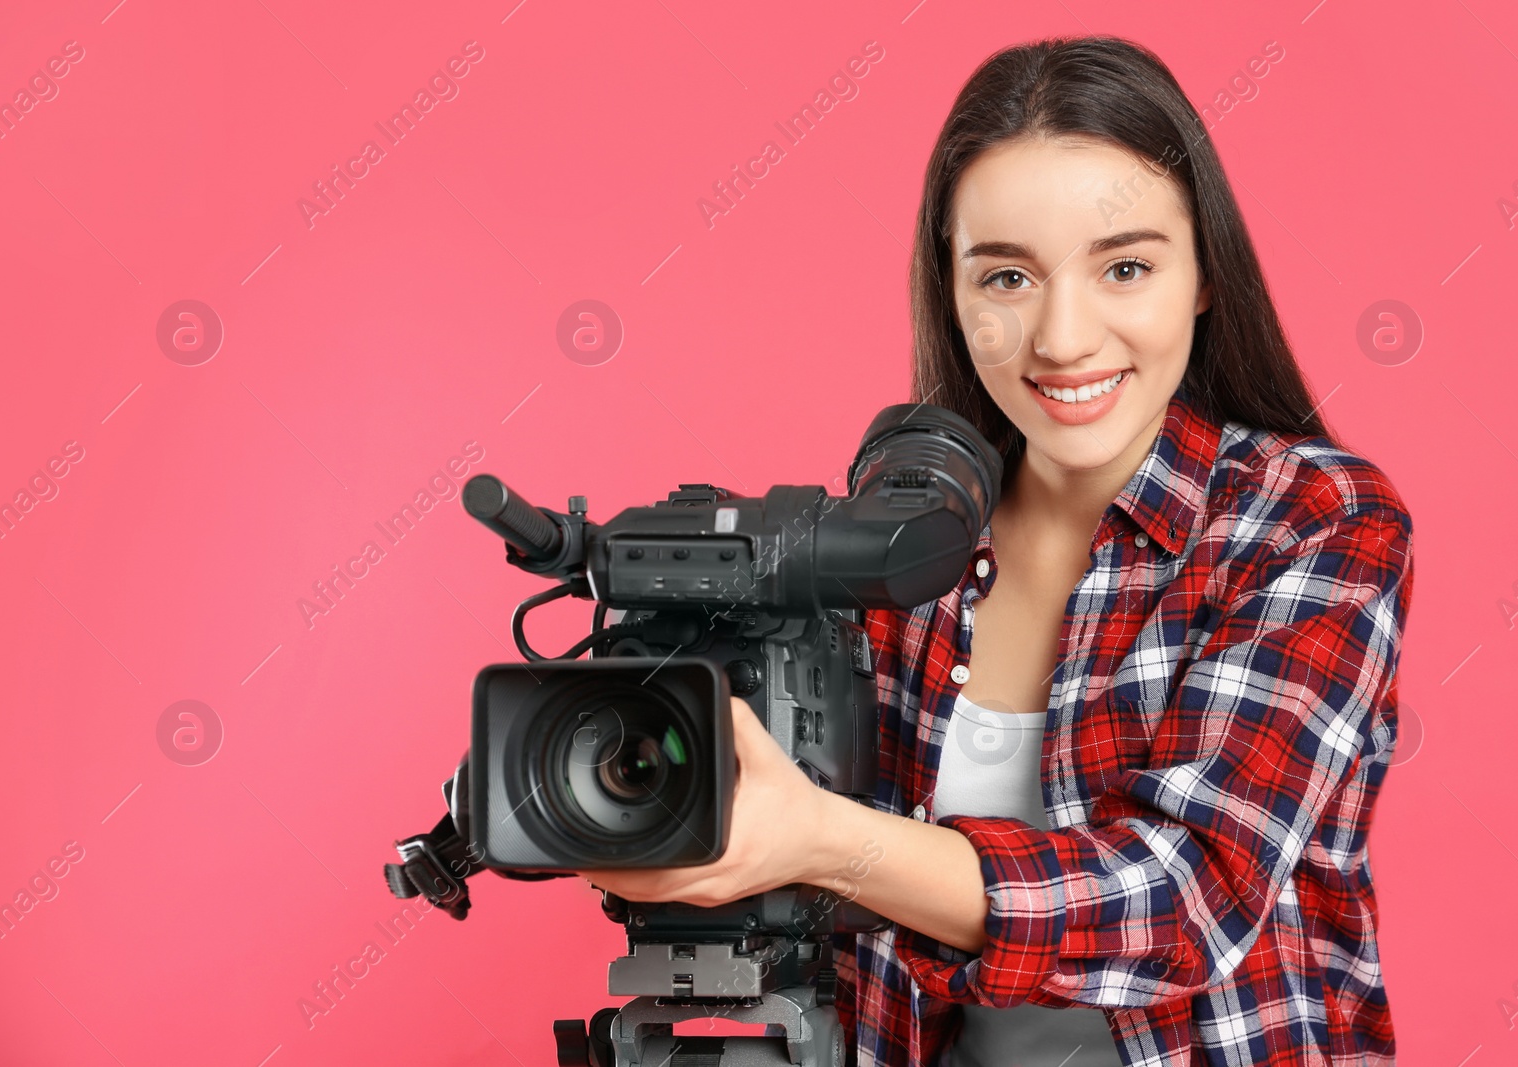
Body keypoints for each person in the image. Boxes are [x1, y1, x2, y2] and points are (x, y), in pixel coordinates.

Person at [579, 35, 1413, 1067]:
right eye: (1008, 276)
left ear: (1205, 274)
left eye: (1124, 266)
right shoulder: (884, 554)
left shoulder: (1311, 521)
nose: (1062, 337)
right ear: (952, 289)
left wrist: (821, 839)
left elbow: (1187, 899)